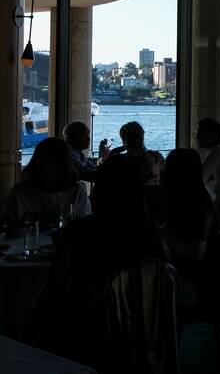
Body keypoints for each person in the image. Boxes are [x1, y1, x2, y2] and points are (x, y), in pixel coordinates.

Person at [28, 155, 173, 373]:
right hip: (140, 341)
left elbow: (54, 293)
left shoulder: (77, 233)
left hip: (84, 338)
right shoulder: (149, 236)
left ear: (100, 187)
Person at [1, 138, 90, 225]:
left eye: (52, 163)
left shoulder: (20, 192)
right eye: (42, 162)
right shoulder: (19, 192)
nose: (46, 167)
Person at [160, 149, 220, 272]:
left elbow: (196, 253)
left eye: (167, 168)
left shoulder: (198, 207)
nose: (162, 172)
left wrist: (164, 236)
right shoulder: (198, 197)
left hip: (196, 276)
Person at [109, 121, 165, 188]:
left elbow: (104, 177)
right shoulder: (156, 157)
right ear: (142, 137)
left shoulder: (120, 161)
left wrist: (113, 152)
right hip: (154, 197)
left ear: (124, 140)